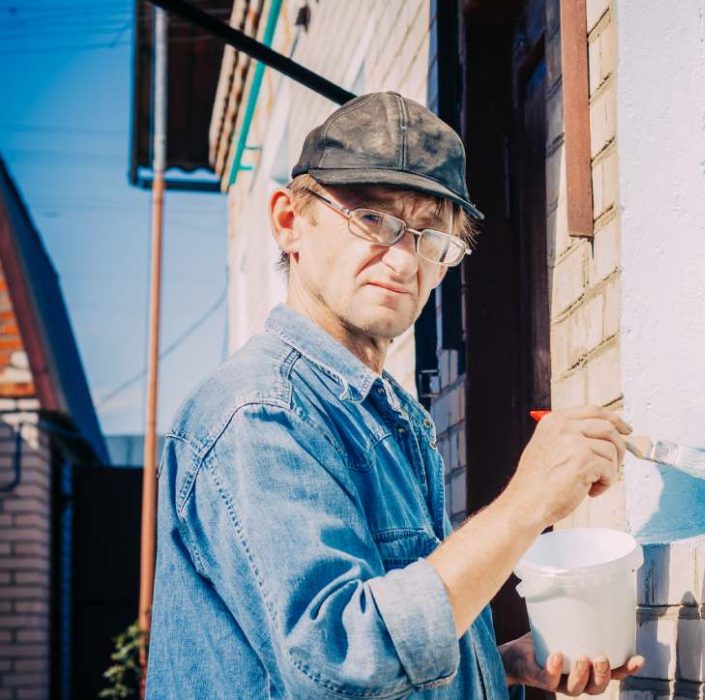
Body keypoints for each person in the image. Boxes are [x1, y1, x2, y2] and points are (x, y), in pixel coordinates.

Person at [146, 91, 643, 698]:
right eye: (373, 219)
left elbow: (399, 622)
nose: (405, 261)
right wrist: (530, 499)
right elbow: (342, 662)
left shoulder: (383, 411)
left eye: (432, 238)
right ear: (289, 221)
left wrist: (498, 660)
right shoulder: (260, 415)